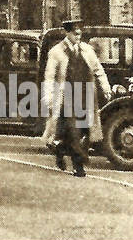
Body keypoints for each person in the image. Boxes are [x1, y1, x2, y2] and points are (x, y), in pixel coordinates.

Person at [41, 19, 111, 177]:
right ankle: (79, 165)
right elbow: (49, 77)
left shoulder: (87, 50)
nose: (78, 35)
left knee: (85, 131)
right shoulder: (56, 52)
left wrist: (105, 87)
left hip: (86, 97)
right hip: (67, 99)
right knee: (73, 132)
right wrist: (48, 98)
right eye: (75, 33)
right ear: (67, 33)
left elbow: (98, 70)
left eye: (80, 33)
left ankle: (59, 148)